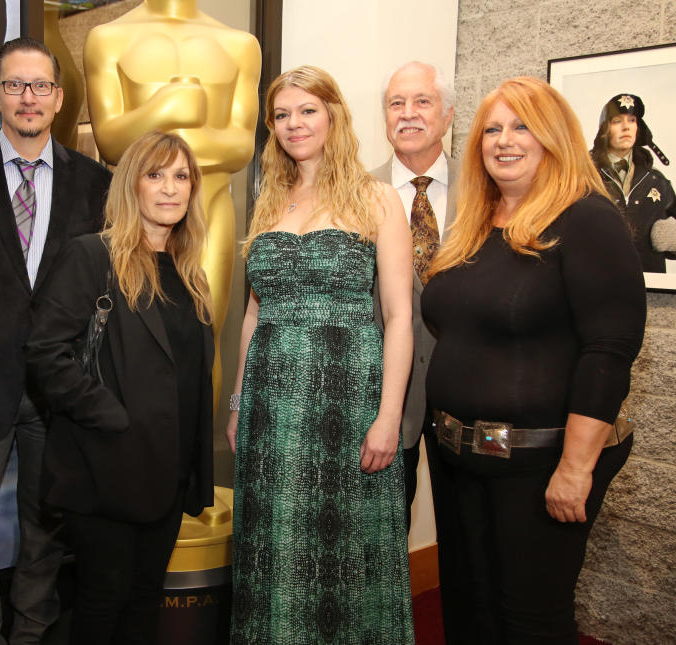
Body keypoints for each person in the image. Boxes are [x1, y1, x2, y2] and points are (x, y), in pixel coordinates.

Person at [421, 76, 646, 645]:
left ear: (555, 137)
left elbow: (609, 350)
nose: (504, 140)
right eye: (492, 128)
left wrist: (575, 470)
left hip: (539, 462)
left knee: (528, 619)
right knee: (469, 609)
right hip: (456, 456)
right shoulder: (474, 223)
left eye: (522, 126)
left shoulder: (588, 218)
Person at [0, 37, 112, 645]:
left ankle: (31, 633)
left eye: (40, 86)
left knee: (46, 530)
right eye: (14, 85)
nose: (28, 97)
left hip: (59, 391)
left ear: (59, 98)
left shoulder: (97, 183)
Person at [226, 65, 415, 643]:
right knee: (275, 543)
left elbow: (399, 316)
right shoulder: (267, 200)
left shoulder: (376, 198)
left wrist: (388, 417)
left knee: (345, 549)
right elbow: (254, 314)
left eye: (307, 110)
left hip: (348, 403)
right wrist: (238, 403)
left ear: (333, 114)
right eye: (281, 115)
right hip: (271, 409)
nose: (293, 124)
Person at [26, 131, 215, 644]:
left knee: (145, 600)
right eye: (155, 175)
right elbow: (45, 352)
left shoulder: (189, 271)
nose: (170, 188)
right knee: (103, 600)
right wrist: (110, 414)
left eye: (181, 176)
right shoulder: (92, 256)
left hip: (168, 473)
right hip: (105, 467)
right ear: (131, 185)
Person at [84, 0, 261, 396]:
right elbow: (110, 141)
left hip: (210, 211)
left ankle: (194, 455)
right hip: (136, 215)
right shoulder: (108, 38)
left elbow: (241, 147)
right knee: (129, 338)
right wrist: (166, 106)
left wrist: (164, 123)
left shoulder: (239, 44)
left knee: (203, 340)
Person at [370, 60, 457, 531]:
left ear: (447, 114)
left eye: (422, 101)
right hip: (383, 401)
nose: (408, 113)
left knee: (468, 543)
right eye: (395, 103)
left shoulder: (490, 191)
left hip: (467, 400)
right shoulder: (356, 194)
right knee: (380, 538)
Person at [589, 92, 676, 273]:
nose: (626, 127)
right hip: (596, 285)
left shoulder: (658, 182)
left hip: (649, 290)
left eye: (632, 120)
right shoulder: (583, 178)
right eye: (617, 121)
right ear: (605, 129)